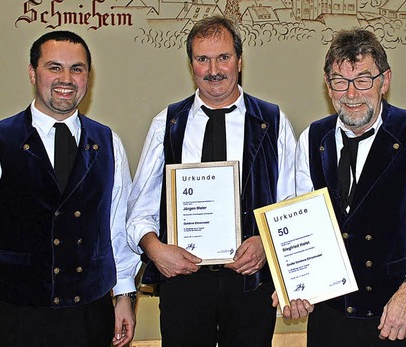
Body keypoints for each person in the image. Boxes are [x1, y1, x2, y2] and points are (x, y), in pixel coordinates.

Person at [126, 15, 296, 346]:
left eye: (223, 57)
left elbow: (291, 201)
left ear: (240, 61)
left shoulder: (272, 122)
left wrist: (267, 243)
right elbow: (140, 207)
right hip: (183, 282)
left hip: (250, 281)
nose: (213, 69)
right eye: (202, 59)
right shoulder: (168, 123)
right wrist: (155, 249)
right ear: (192, 65)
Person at [282, 28, 406, 346]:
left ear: (384, 81)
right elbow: (302, 230)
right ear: (327, 84)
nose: (351, 94)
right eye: (340, 81)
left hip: (399, 315)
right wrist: (295, 284)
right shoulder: (310, 139)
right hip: (332, 321)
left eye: (363, 80)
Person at [0, 30, 141, 346]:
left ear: (88, 77)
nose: (66, 78)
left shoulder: (108, 143)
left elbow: (117, 229)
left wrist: (123, 296)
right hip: (12, 316)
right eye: (54, 67)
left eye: (77, 68)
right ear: (33, 73)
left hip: (89, 317)